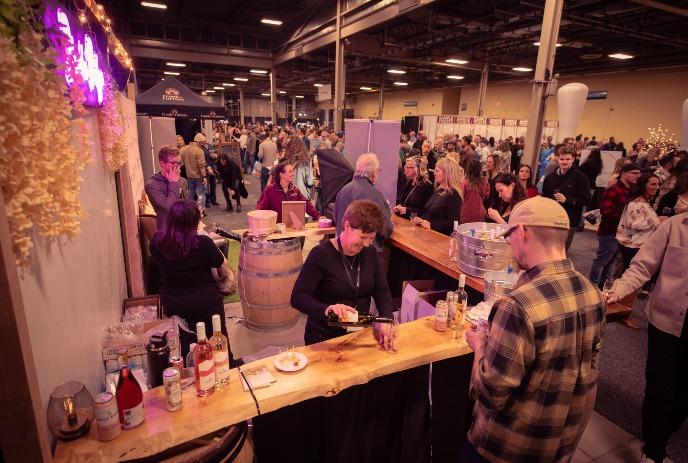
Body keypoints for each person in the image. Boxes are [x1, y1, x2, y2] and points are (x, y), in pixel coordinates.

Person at [464, 196, 604, 462]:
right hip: (558, 445)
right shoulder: (592, 292)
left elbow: (491, 395)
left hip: (505, 448)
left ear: (520, 232)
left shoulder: (516, 305)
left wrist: (479, 343)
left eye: (508, 237)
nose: (509, 244)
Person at [605, 212, 688, 463]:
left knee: (684, 396)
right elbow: (642, 266)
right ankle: (654, 450)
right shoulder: (675, 226)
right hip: (667, 322)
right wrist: (617, 290)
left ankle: (659, 433)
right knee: (659, 389)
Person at [291, 200, 394, 346]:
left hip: (359, 334)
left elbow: (381, 291)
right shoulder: (321, 255)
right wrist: (327, 309)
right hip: (324, 337)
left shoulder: (370, 253)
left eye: (371, 238)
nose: (366, 244)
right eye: (363, 237)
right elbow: (297, 297)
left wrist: (386, 318)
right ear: (347, 226)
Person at [150, 200, 231, 360]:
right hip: (205, 301)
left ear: (171, 219)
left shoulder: (157, 242)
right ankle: (226, 369)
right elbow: (222, 272)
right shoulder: (203, 243)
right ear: (195, 222)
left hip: (173, 302)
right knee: (217, 340)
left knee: (185, 346)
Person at [616, 173, 662, 328]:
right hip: (633, 246)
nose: (657, 187)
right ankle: (624, 313)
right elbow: (633, 225)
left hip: (635, 244)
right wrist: (657, 221)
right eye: (653, 184)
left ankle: (622, 310)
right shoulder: (637, 203)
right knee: (633, 281)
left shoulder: (643, 202)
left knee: (630, 279)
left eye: (658, 184)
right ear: (643, 185)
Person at [589, 163, 641, 288]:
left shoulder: (630, 190)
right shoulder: (614, 189)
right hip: (609, 232)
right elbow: (605, 211)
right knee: (602, 260)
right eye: (634, 173)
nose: (637, 176)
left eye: (638, 173)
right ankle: (592, 285)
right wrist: (627, 217)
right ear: (623, 173)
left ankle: (602, 285)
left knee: (611, 262)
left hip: (621, 233)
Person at [334, 153, 393, 250]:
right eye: (379, 171)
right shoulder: (374, 195)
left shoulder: (344, 189)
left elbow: (336, 218)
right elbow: (385, 228)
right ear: (374, 173)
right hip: (364, 251)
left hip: (342, 247)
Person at [542, 150, 591, 250]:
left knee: (561, 250)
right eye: (562, 159)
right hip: (551, 219)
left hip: (569, 220)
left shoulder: (581, 178)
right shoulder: (550, 177)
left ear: (573, 159)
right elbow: (545, 196)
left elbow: (586, 200)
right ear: (557, 159)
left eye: (568, 159)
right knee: (547, 249)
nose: (564, 162)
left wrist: (567, 200)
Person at [412, 157, 463, 235]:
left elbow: (453, 224)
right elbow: (429, 213)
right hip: (427, 235)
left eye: (437, 171)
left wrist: (432, 225)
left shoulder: (454, 194)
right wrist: (420, 220)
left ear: (447, 174)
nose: (434, 173)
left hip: (439, 240)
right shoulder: (438, 190)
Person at [145, 146, 183, 229]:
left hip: (185, 227)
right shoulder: (152, 185)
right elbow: (168, 208)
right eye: (173, 163)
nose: (177, 167)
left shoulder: (182, 181)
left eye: (179, 163)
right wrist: (173, 183)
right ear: (162, 164)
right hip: (168, 232)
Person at [180, 133, 208, 214]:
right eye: (203, 142)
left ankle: (189, 210)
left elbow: (181, 162)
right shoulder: (199, 151)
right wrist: (204, 177)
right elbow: (201, 166)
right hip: (199, 176)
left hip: (189, 175)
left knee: (191, 192)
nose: (204, 144)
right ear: (200, 142)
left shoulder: (184, 149)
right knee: (201, 194)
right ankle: (200, 211)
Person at [461, 159, 490, 224]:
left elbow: (460, 199)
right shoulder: (485, 183)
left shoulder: (465, 184)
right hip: (480, 213)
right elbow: (486, 196)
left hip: (466, 213)